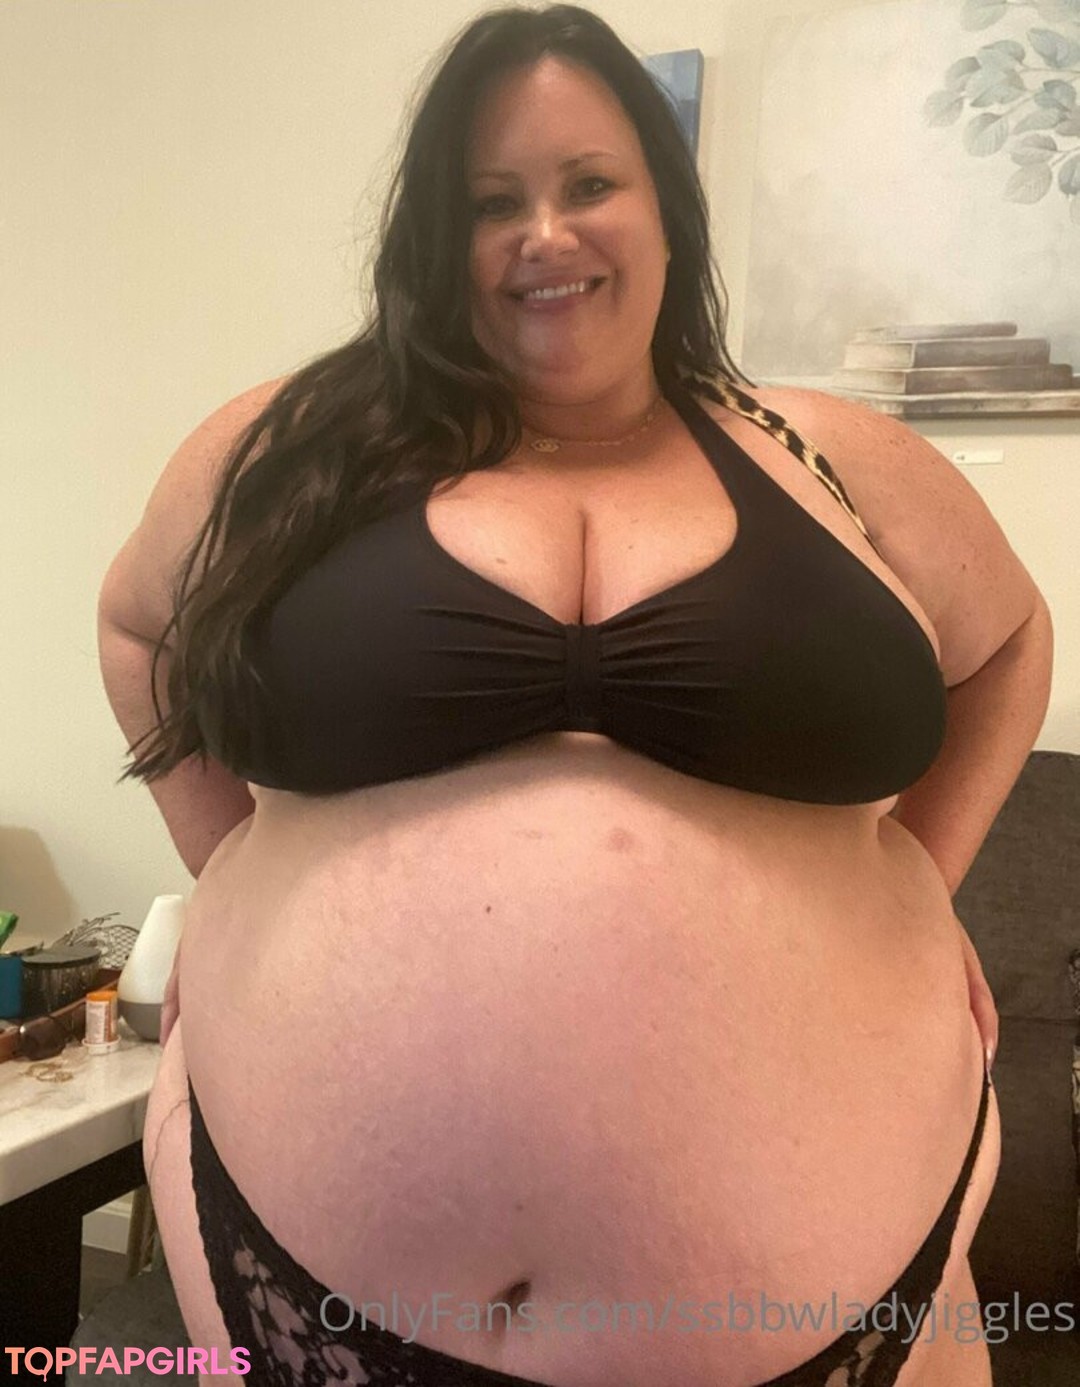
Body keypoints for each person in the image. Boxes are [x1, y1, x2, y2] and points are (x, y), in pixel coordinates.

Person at [98, 6, 1052, 1385]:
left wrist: (927, 878)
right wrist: (235, 869)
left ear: (667, 211)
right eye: (491, 202)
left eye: (590, 182)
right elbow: (137, 626)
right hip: (301, 1285)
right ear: (435, 238)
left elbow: (1011, 640)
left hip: (853, 1303)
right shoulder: (285, 448)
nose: (544, 234)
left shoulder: (835, 456)